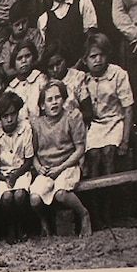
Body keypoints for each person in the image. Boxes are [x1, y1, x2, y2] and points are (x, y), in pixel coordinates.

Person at [30, 80, 92, 237]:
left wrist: (61, 167)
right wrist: (38, 167)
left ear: (63, 99)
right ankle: (45, 224)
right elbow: (33, 154)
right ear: (43, 105)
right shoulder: (37, 125)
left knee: (61, 194)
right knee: (35, 199)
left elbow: (80, 149)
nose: (54, 102)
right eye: (49, 100)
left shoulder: (71, 117)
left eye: (58, 98)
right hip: (47, 170)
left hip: (68, 166)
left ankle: (84, 214)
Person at [83, 32, 134, 178]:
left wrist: (125, 140)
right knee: (93, 155)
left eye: (101, 55)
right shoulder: (84, 79)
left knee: (108, 152)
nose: (98, 60)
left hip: (115, 121)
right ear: (85, 60)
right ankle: (97, 198)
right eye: (93, 56)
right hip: (95, 125)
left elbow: (128, 108)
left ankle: (111, 194)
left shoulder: (118, 74)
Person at [0, 91, 33, 243]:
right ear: (0, 118)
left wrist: (16, 175)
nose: (9, 119)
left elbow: (28, 160)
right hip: (3, 175)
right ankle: (11, 227)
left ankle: (22, 226)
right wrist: (2, 179)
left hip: (21, 172)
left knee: (20, 195)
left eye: (12, 114)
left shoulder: (25, 129)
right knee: (7, 197)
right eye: (5, 116)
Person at [37, 0, 98, 67]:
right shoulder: (44, 19)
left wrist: (81, 62)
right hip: (59, 70)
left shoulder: (82, 3)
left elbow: (91, 39)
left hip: (84, 64)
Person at [5, 40, 47, 123]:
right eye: (19, 58)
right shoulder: (10, 89)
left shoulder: (41, 80)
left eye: (27, 56)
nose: (24, 61)